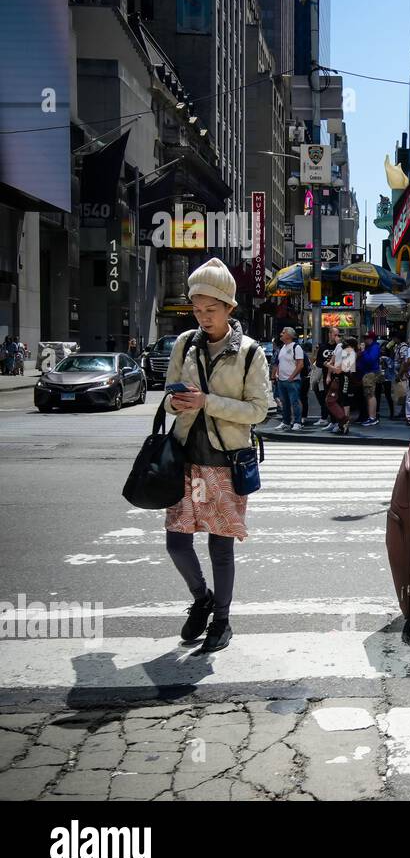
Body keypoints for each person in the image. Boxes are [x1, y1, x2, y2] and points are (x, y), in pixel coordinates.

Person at [162, 258, 270, 654]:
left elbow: (258, 410)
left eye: (211, 309)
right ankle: (201, 598)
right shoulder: (185, 343)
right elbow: (169, 401)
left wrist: (208, 401)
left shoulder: (249, 353)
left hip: (226, 461)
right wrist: (178, 403)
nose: (202, 317)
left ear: (229, 308)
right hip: (184, 458)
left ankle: (221, 620)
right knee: (177, 543)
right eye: (197, 309)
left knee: (220, 547)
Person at [272, 327, 305, 431]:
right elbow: (279, 363)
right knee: (285, 403)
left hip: (292, 380)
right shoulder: (283, 347)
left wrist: (292, 377)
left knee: (294, 402)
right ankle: (286, 422)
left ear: (289, 335)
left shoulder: (296, 347)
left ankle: (297, 422)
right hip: (282, 380)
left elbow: (300, 364)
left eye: (283, 332)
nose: (281, 334)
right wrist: (276, 375)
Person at [325, 336, 357, 435]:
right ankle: (342, 421)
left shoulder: (351, 353)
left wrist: (327, 365)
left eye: (346, 344)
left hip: (345, 377)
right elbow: (333, 361)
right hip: (337, 377)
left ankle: (343, 424)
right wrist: (329, 374)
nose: (343, 344)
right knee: (333, 400)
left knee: (344, 400)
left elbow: (339, 370)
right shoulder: (339, 346)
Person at [357, 330, 383, 427]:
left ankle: (372, 417)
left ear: (371, 339)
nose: (365, 340)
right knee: (368, 395)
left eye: (367, 338)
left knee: (370, 395)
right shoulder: (369, 347)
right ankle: (370, 416)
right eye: (364, 338)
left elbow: (370, 360)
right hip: (366, 373)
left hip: (370, 373)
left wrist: (363, 351)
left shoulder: (375, 347)